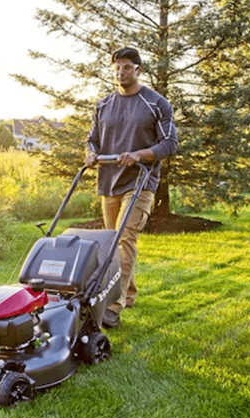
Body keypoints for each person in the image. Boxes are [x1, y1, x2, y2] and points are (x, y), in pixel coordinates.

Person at [86, 47, 178, 328]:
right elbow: (92, 140)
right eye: (117, 67)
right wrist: (90, 154)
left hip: (140, 180)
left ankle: (113, 305)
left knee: (124, 238)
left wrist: (139, 154)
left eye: (127, 67)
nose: (121, 72)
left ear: (138, 70)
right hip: (109, 180)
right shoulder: (103, 105)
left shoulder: (156, 103)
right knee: (111, 245)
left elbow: (169, 144)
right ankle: (130, 292)